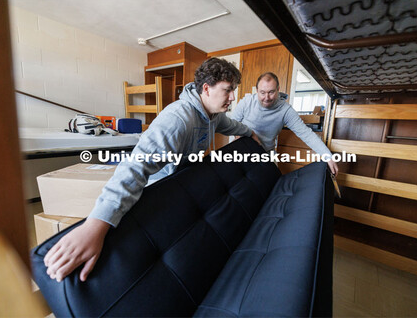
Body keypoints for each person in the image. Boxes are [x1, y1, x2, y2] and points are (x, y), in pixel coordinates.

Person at [44, 58, 262, 282]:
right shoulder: (178, 119)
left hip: (183, 181)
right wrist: (95, 225)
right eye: (228, 90)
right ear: (206, 88)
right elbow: (136, 166)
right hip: (158, 189)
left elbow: (230, 125)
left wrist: (249, 133)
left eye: (233, 90)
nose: (233, 97)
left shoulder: (213, 115)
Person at [231, 72, 338, 175]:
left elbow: (306, 134)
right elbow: (232, 124)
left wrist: (327, 156)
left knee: (271, 184)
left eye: (271, 92)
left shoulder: (286, 110)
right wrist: (239, 137)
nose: (266, 98)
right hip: (242, 149)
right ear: (257, 90)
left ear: (278, 90)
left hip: (266, 153)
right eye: (262, 93)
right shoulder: (247, 102)